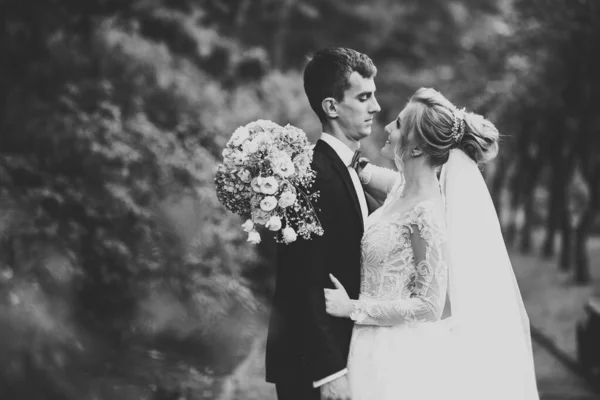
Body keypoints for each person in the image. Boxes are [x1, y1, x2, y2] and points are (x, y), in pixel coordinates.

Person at [324, 88, 540, 400]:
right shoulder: (402, 189)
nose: (386, 128)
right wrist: (349, 164)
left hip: (395, 358)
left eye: (397, 125)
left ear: (415, 149)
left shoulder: (427, 214)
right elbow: (370, 174)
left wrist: (353, 308)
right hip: (366, 344)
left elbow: (429, 306)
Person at [265, 47, 381, 400]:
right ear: (331, 107)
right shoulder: (311, 176)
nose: (375, 107)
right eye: (364, 97)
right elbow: (304, 278)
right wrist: (329, 371)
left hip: (350, 350)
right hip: (316, 367)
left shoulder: (351, 171)